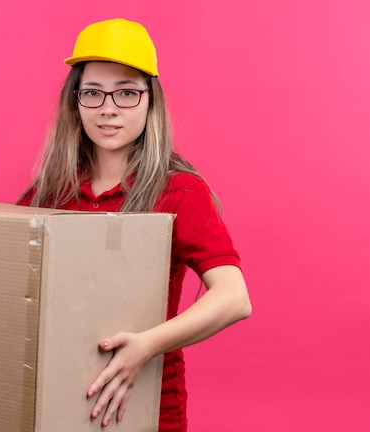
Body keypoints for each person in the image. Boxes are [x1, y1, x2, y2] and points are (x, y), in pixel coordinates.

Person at [17, 18, 252, 432]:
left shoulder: (179, 190)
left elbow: (234, 298)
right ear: (75, 102)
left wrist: (147, 346)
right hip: (53, 404)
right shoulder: (50, 190)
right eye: (93, 93)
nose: (108, 108)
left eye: (126, 92)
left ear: (150, 101)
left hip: (143, 407)